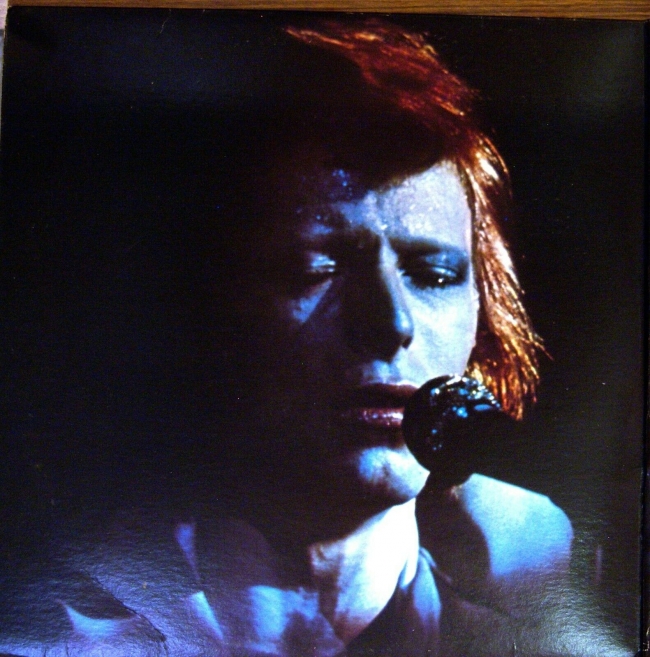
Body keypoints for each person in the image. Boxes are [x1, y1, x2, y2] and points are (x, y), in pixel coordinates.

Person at [0, 17, 631, 657]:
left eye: (434, 274)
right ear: (207, 302)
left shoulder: (542, 610)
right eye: (314, 268)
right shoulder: (56, 636)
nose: (391, 323)